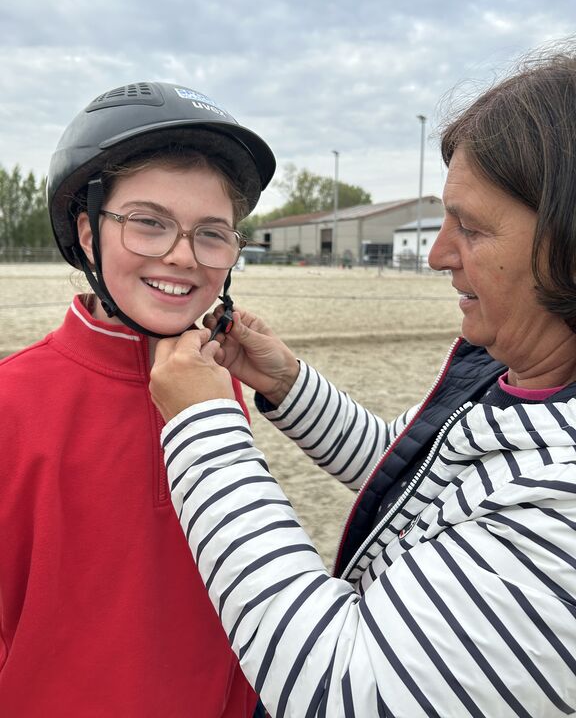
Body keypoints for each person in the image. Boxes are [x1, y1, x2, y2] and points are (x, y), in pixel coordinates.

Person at [149, 47, 576, 717]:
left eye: (470, 228)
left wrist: (204, 431)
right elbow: (411, 472)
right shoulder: (513, 374)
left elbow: (345, 691)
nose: (436, 254)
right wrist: (289, 384)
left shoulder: (562, 511)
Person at [0, 81, 275, 717]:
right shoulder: (12, 400)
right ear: (88, 233)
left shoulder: (216, 383)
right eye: (149, 223)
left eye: (213, 233)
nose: (182, 256)